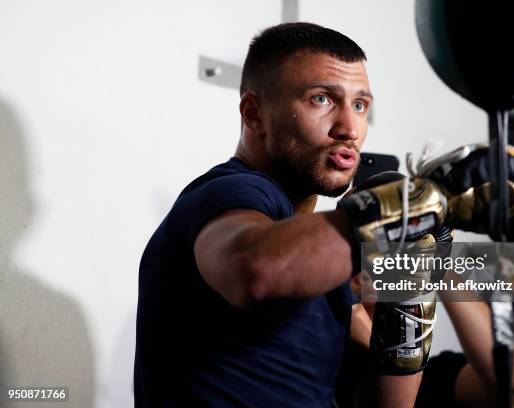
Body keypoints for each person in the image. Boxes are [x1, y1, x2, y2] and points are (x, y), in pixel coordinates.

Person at [134, 22, 422, 407]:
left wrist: (416, 261)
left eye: (359, 105)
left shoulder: (314, 254)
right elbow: (253, 269)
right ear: (254, 114)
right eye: (322, 99)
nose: (349, 128)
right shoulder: (235, 191)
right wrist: (394, 211)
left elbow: (391, 399)